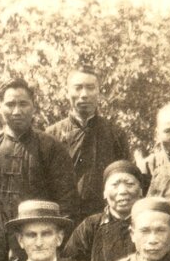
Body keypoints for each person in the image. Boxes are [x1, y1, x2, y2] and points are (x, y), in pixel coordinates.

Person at [46, 66, 132, 224]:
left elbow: (127, 180)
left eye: (90, 88)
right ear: (67, 92)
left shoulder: (115, 134)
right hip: (63, 220)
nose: (84, 94)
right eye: (78, 88)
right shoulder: (51, 135)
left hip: (104, 219)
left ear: (99, 92)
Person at [0, 78, 78, 220]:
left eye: (23, 104)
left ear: (33, 106)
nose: (17, 111)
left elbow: (66, 201)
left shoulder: (51, 147)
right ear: (0, 107)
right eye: (10, 104)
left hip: (36, 234)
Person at [63, 160, 144, 261]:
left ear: (140, 191)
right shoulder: (91, 225)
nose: (122, 191)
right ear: (104, 193)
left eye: (130, 184)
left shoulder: (151, 223)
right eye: (115, 185)